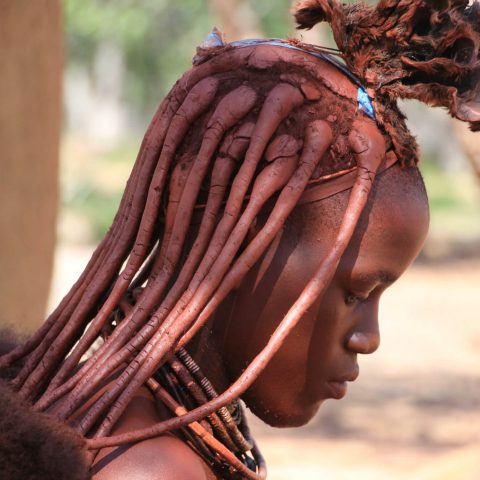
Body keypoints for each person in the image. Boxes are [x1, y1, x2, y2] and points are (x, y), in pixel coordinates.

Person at [0, 1, 478, 479]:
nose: (368, 338)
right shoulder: (153, 470)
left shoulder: (109, 419)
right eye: (356, 293)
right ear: (245, 254)